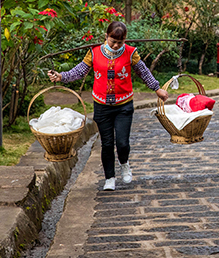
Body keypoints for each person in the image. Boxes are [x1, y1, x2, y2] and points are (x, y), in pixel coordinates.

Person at [48, 21, 168, 190]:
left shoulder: (130, 53)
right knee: (107, 144)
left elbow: (143, 72)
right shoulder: (94, 52)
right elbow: (79, 71)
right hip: (102, 105)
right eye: (113, 41)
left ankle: (124, 163)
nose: (117, 45)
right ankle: (109, 178)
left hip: (124, 105)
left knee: (122, 143)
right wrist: (61, 76)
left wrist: (157, 88)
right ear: (106, 36)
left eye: (120, 42)